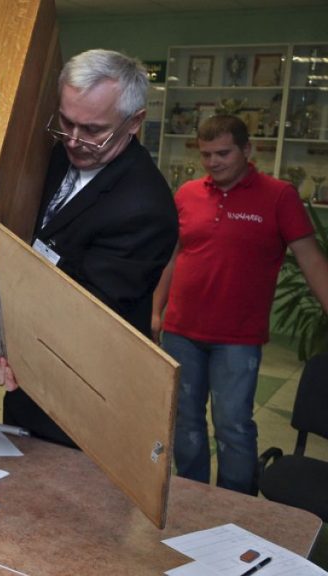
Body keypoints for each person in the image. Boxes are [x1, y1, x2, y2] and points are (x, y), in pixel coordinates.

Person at [0, 49, 179, 446]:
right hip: (27, 383)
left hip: (88, 394)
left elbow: (90, 314)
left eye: (93, 130)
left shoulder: (144, 206)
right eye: (66, 122)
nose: (74, 141)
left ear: (135, 122)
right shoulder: (58, 153)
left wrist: (11, 343)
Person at [152, 114, 328, 494]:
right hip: (181, 331)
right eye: (206, 155)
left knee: (233, 424)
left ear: (247, 150)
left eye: (223, 153)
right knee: (185, 422)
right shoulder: (187, 193)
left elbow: (312, 260)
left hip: (237, 338)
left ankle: (236, 504)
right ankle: (192, 496)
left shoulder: (279, 196)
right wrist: (156, 309)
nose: (213, 162)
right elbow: (172, 256)